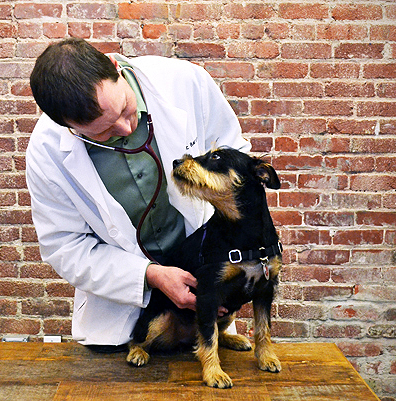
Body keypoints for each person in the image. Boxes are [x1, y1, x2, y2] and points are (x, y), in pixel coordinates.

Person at [26, 38, 251, 349]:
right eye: (104, 132)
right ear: (68, 128)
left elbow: (236, 162)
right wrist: (151, 275)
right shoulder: (46, 152)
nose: (126, 128)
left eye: (125, 109)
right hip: (122, 316)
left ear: (117, 69)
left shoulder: (186, 83)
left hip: (203, 299)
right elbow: (65, 246)